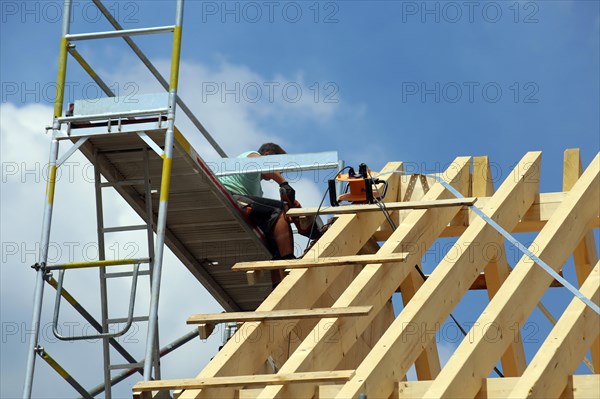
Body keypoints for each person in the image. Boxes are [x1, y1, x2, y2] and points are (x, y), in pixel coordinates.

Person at [218, 143, 297, 287]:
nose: (280, 172)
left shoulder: (257, 192)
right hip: (230, 195)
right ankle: (288, 260)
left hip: (242, 202)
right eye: (279, 166)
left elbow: (266, 211)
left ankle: (278, 285)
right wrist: (283, 184)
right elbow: (261, 163)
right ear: (267, 156)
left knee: (275, 237)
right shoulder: (250, 156)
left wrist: (288, 216)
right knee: (278, 210)